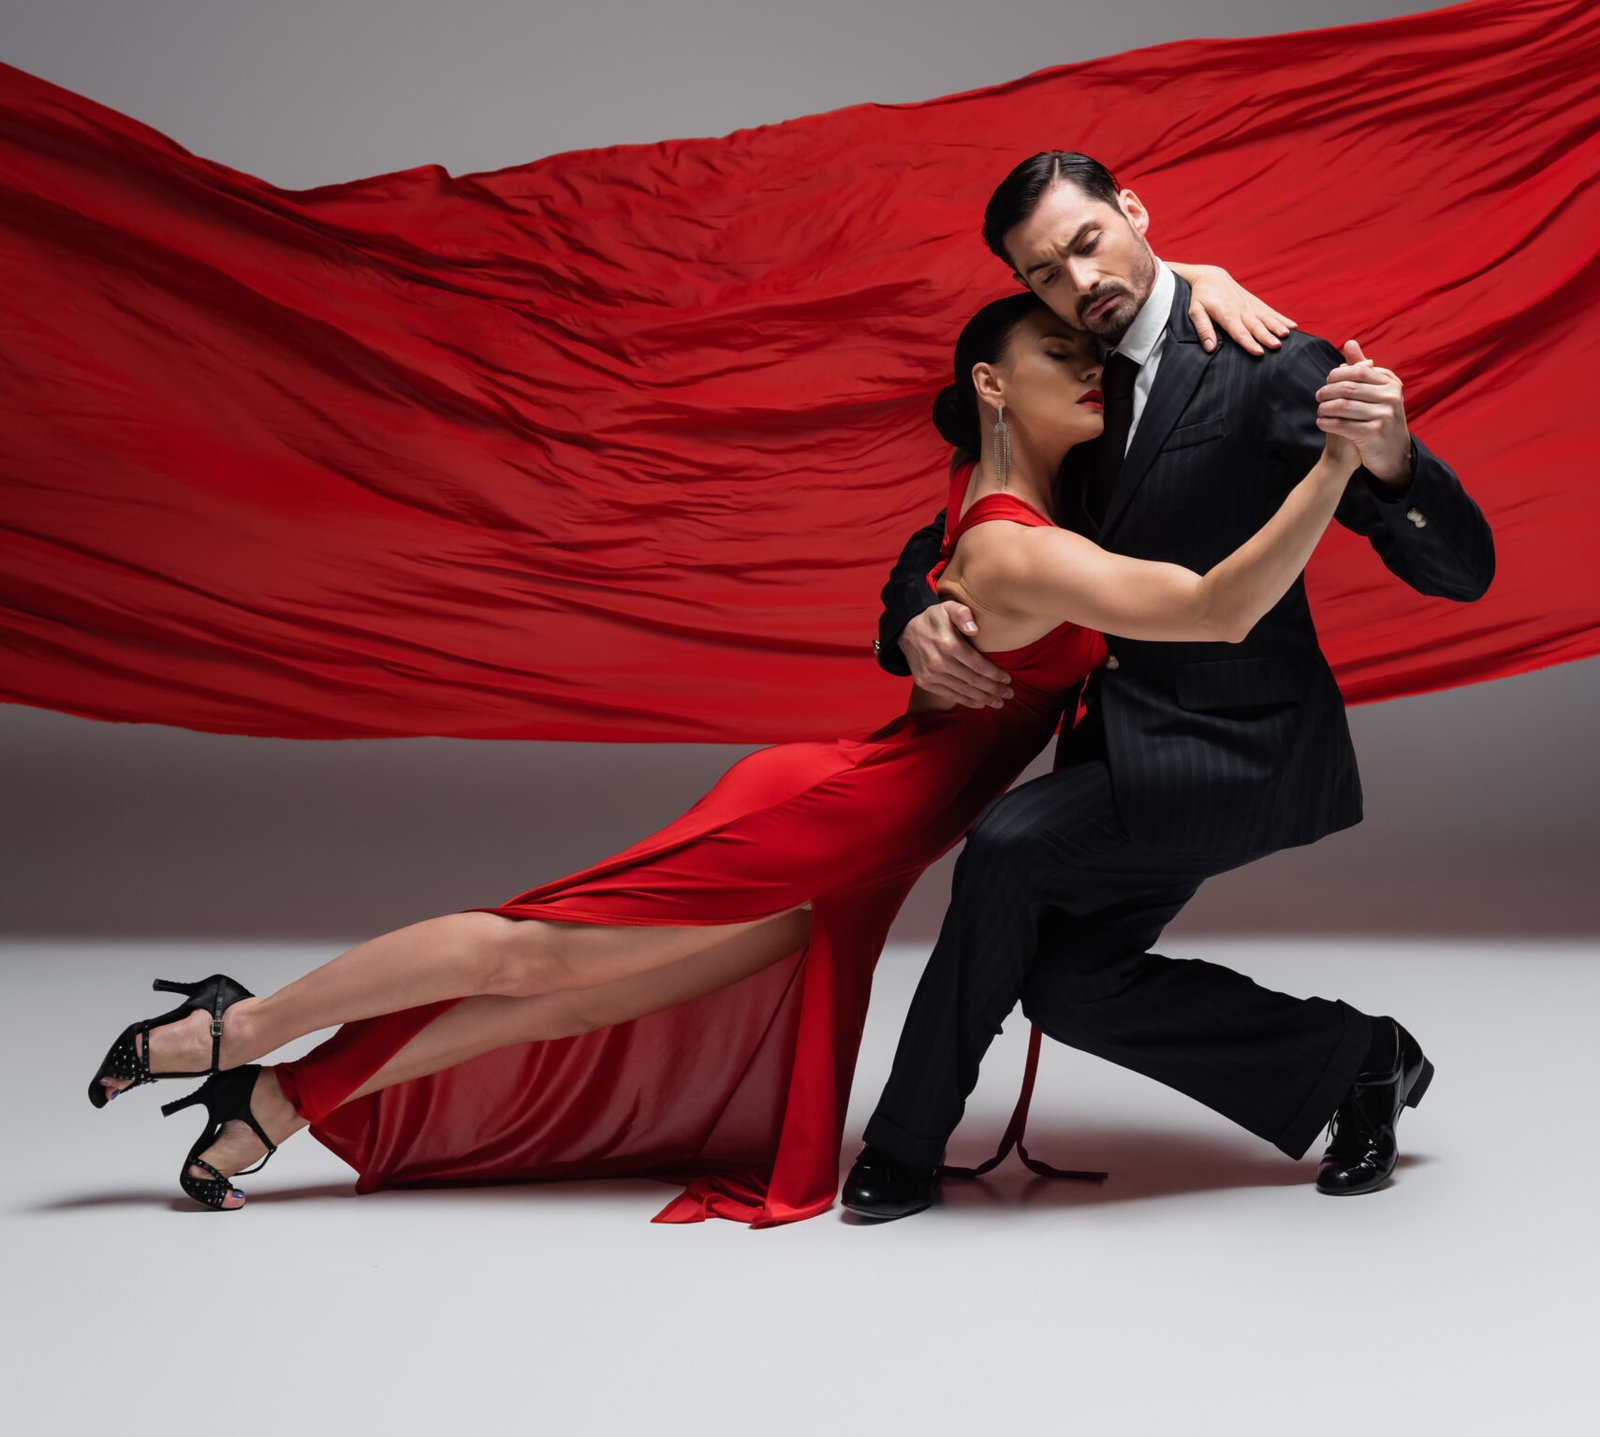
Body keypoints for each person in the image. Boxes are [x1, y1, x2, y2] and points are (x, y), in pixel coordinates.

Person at [86, 264, 1363, 1226]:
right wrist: (1333, 465)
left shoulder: (1000, 506)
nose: (1089, 366)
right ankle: (239, 1026)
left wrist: (1210, 281)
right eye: (1052, 352)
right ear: (989, 384)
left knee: (586, 992)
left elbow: (1119, 320)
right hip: (842, 807)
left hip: (879, 832)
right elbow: (1212, 609)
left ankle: (280, 1109)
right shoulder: (1021, 544)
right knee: (536, 949)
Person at [843, 150, 1495, 1220]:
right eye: (1044, 273)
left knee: (1008, 847)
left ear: (1132, 210)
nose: (1078, 280)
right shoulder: (1068, 375)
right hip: (1120, 749)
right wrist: (912, 614)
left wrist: (1390, 459)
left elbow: (1461, 574)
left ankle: (904, 1145)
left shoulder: (1267, 363)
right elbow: (961, 517)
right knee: (1068, 984)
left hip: (1242, 745)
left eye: (1090, 241)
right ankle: (1357, 1060)